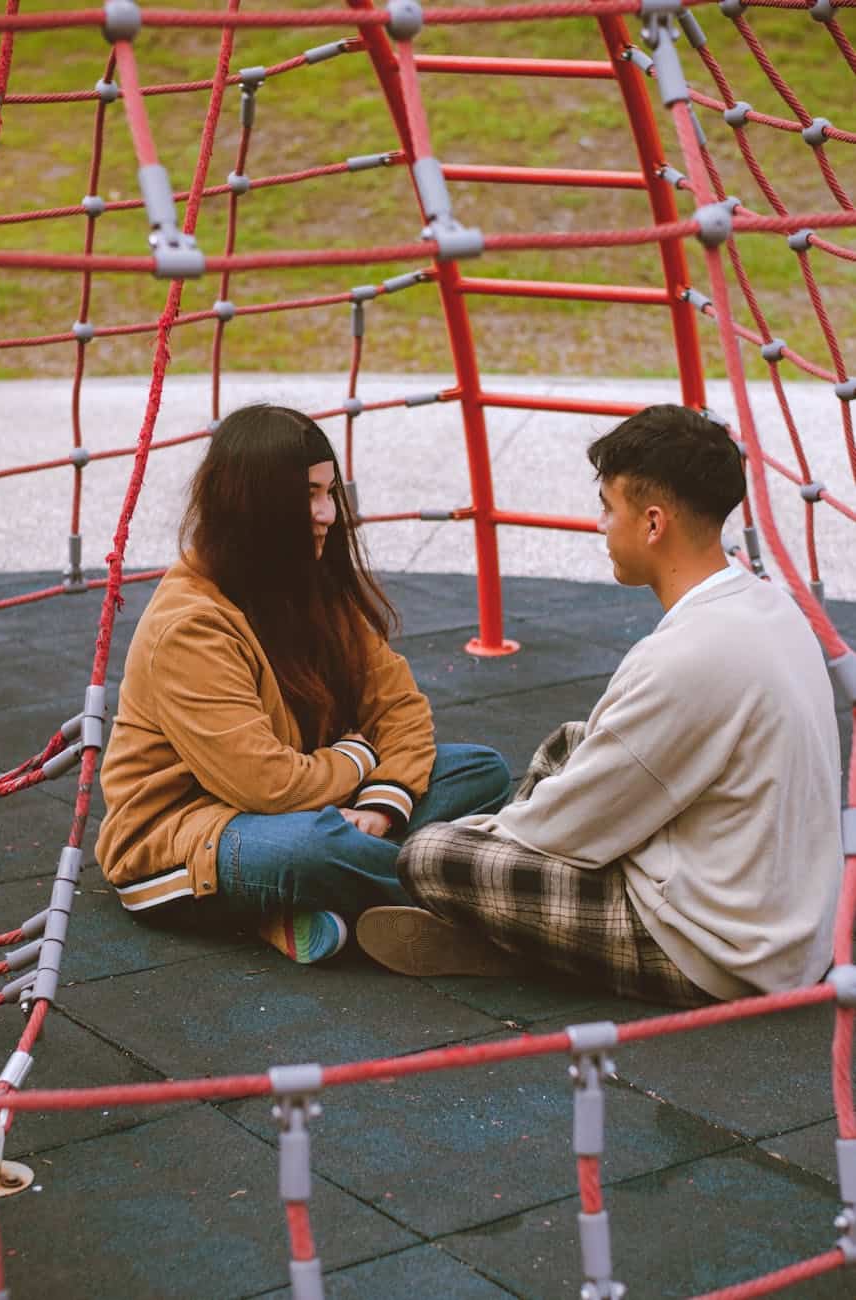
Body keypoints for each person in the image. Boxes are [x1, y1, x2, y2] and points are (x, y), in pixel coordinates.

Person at [356, 404, 843, 1006]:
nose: (600, 526)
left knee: (430, 857)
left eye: (609, 509)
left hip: (719, 951)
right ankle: (517, 932)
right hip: (784, 921)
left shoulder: (685, 658)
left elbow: (566, 831)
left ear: (654, 524)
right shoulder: (770, 606)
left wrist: (480, 836)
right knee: (574, 740)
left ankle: (509, 940)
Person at [96, 404, 510, 963]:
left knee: (480, 769)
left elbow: (400, 706)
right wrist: (362, 762)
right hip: (191, 838)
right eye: (310, 496)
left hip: (314, 801)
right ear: (257, 507)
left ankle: (309, 910)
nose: (328, 514)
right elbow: (264, 785)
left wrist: (383, 806)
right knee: (314, 849)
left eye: (330, 493)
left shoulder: (307, 580)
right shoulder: (189, 625)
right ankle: (487, 908)